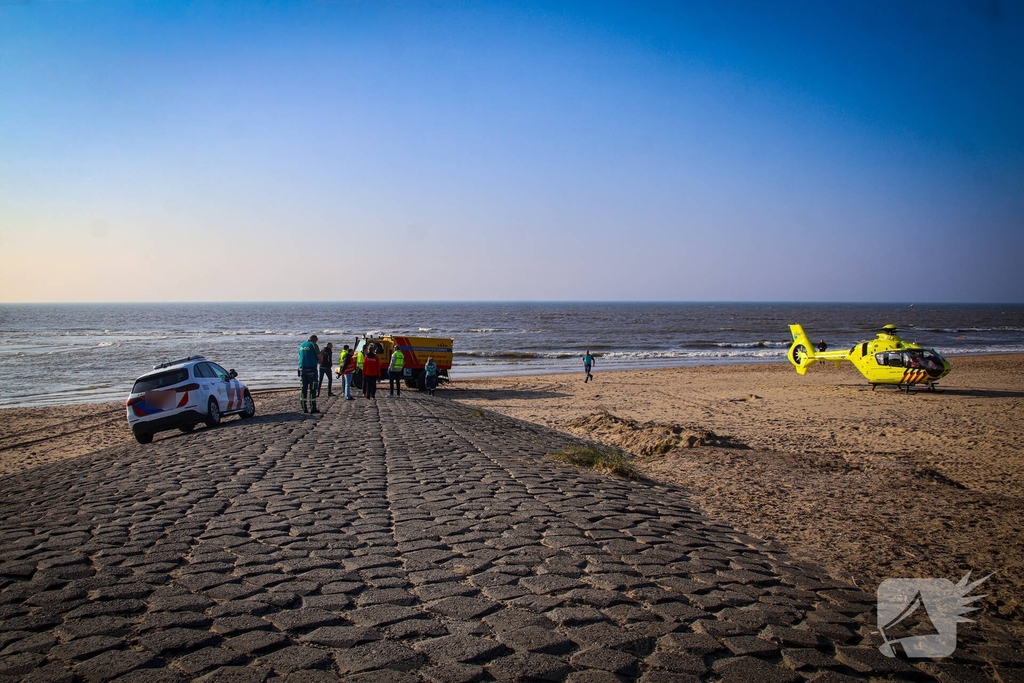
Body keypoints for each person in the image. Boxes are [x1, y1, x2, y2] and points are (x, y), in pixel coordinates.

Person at [297, 334, 320, 414]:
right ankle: (313, 408)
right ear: (314, 339)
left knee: (303, 389)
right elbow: (319, 357)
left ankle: (304, 407)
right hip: (312, 370)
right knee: (313, 389)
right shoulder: (314, 345)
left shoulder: (301, 345)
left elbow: (300, 356)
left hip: (302, 369)